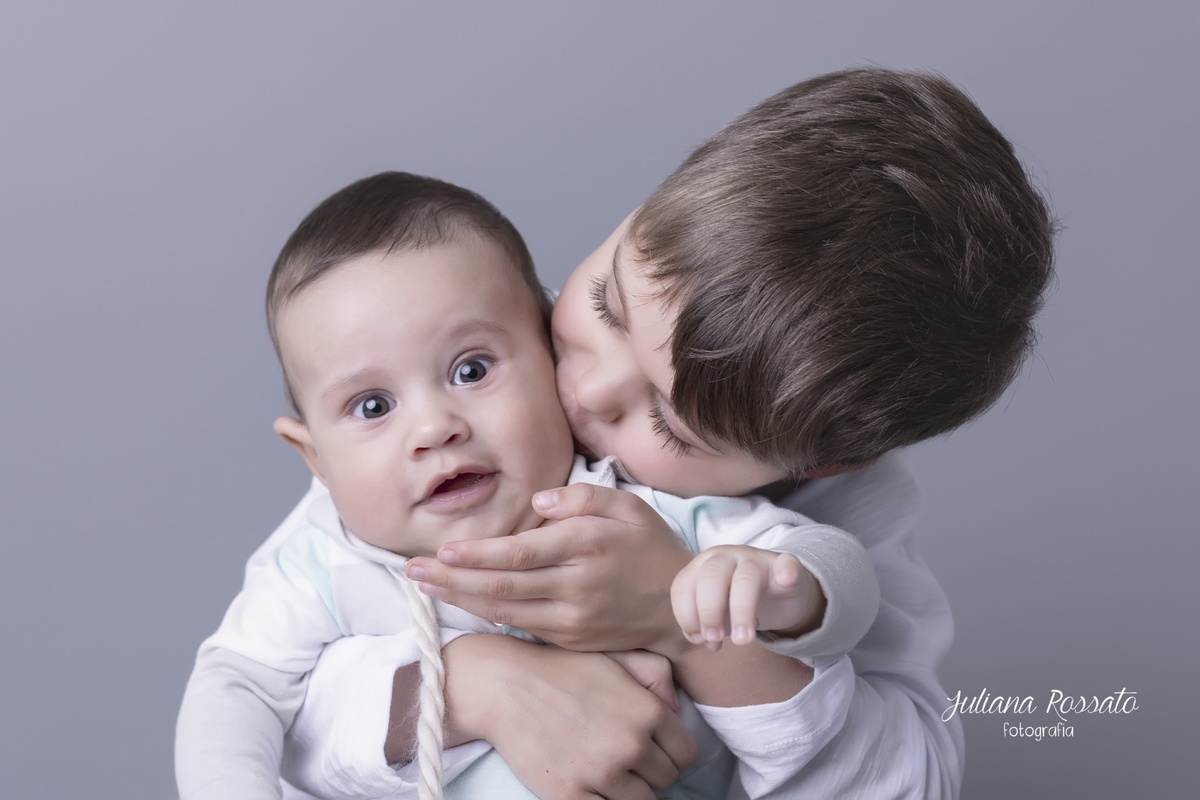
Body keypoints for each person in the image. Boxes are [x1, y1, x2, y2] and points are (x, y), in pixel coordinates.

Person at [269, 67, 1056, 799]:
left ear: (824, 464)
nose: (587, 387)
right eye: (606, 304)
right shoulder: (464, 370)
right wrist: (473, 682)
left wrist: (680, 627)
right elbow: (266, 690)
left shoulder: (834, 496)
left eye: (669, 424)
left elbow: (912, 778)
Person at [175, 171, 884, 800]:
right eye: (373, 407)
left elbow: (832, 563)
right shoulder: (322, 564)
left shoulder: (631, 512)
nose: (434, 427)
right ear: (315, 459)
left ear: (548, 352)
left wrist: (793, 591)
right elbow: (234, 691)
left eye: (471, 370)